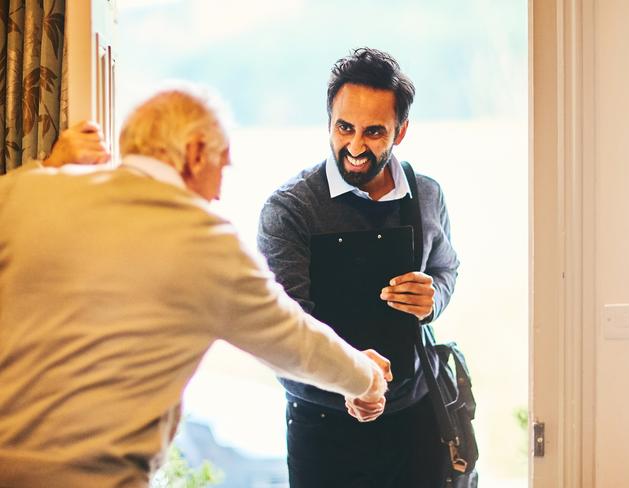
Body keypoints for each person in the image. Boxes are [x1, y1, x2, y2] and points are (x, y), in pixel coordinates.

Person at [0, 86, 392, 488]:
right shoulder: (205, 241)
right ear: (196, 152)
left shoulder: (21, 192)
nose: (219, 191)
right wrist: (367, 378)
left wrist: (47, 168)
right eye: (222, 166)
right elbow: (297, 343)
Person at [257, 48, 460, 487]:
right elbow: (283, 332)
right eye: (344, 127)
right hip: (323, 426)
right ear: (328, 121)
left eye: (373, 132)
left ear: (400, 131)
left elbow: (446, 269)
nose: (354, 146)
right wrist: (354, 380)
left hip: (417, 420)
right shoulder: (290, 210)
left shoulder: (427, 194)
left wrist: (433, 299)